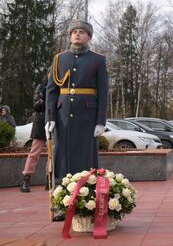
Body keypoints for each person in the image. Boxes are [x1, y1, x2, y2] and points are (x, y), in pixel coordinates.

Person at [45, 20, 109, 184]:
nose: (77, 34)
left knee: (85, 157)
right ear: (70, 36)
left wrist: (100, 121)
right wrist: (50, 118)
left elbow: (103, 92)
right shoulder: (59, 59)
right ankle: (64, 199)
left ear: (89, 36)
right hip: (63, 116)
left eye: (82, 31)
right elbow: (52, 91)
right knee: (63, 157)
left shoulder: (98, 60)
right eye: (74, 32)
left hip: (87, 118)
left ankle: (86, 199)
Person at [20, 75, 48, 192]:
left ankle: (49, 179)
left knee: (54, 153)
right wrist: (44, 99)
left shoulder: (60, 87)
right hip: (41, 122)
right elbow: (36, 106)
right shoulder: (40, 87)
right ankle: (26, 179)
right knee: (34, 152)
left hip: (55, 122)